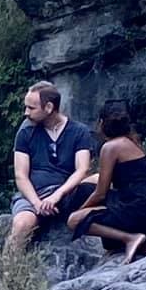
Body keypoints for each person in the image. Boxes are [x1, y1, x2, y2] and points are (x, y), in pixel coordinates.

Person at [67, 102, 146, 263]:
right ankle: (121, 237)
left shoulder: (110, 147)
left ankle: (130, 238)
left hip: (138, 213)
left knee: (74, 221)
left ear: (101, 123)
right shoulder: (132, 142)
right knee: (85, 189)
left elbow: (100, 193)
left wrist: (82, 211)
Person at [8, 83, 95, 250]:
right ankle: (6, 270)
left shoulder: (79, 131)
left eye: (31, 108)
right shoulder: (25, 132)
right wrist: (37, 203)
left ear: (48, 107)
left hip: (66, 192)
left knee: (98, 179)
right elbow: (21, 175)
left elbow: (82, 169)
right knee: (22, 224)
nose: (26, 113)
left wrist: (56, 196)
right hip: (34, 194)